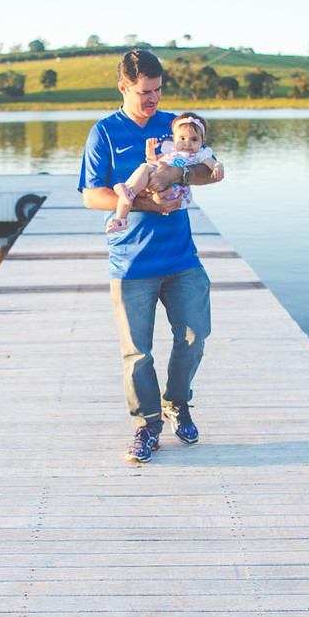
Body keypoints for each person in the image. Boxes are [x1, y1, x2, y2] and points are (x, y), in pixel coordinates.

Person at [79, 50, 225, 463]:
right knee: (137, 353)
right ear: (123, 87)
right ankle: (146, 427)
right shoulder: (104, 133)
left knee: (195, 337)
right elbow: (91, 195)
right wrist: (146, 202)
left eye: (159, 90)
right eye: (145, 92)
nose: (154, 99)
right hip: (131, 263)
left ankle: (177, 403)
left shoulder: (177, 125)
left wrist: (173, 174)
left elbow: (206, 170)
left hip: (182, 258)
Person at [108, 111, 225, 233]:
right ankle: (121, 216)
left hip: (174, 189)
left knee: (145, 170)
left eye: (194, 139)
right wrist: (150, 150)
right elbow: (153, 160)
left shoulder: (200, 155)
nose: (187, 143)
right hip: (155, 175)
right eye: (182, 138)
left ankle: (128, 190)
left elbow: (211, 163)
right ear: (174, 139)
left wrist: (217, 166)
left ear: (203, 141)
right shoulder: (170, 150)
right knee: (144, 168)